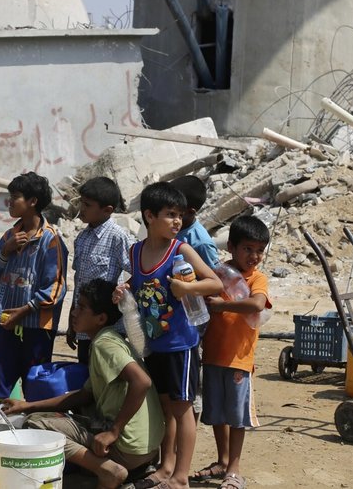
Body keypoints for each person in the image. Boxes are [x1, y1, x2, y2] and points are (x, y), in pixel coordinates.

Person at [4, 279, 164, 489]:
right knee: (78, 408)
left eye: (81, 307)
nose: (74, 312)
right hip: (147, 448)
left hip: (128, 447)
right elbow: (84, 395)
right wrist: (26, 405)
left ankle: (107, 469)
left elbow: (141, 382)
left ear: (101, 318)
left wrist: (114, 431)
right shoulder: (110, 339)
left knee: (34, 424)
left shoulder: (104, 344)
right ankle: (121, 466)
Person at [120, 182, 222, 489]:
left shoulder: (182, 249)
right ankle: (166, 467)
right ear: (150, 216)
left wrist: (188, 289)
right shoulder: (136, 251)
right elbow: (138, 284)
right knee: (167, 408)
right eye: (170, 214)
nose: (177, 221)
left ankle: (180, 477)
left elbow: (215, 283)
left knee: (183, 407)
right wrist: (123, 289)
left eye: (179, 215)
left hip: (181, 343)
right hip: (155, 344)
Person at [190, 216, 271, 489]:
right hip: (212, 355)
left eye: (259, 250)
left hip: (239, 358)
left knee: (237, 417)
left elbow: (257, 304)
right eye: (248, 248)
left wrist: (221, 307)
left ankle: (234, 469)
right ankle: (222, 461)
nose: (254, 256)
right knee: (217, 413)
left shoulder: (257, 278)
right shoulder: (218, 274)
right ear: (232, 247)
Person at [0, 172, 69, 401]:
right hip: (7, 324)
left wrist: (23, 311)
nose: (9, 201)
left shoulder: (50, 240)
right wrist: (5, 251)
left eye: (16, 196)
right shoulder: (9, 237)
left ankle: (32, 433)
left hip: (36, 328)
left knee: (35, 386)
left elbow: (56, 288)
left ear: (33, 201)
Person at [66, 176, 133, 365]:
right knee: (86, 376)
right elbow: (79, 280)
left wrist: (123, 290)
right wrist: (73, 320)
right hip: (85, 325)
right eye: (82, 203)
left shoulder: (117, 237)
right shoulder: (82, 238)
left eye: (87, 205)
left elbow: (138, 272)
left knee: (106, 376)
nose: (82, 209)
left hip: (109, 327)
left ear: (107, 210)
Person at [170, 175, 220, 268]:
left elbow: (216, 279)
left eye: (172, 208)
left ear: (190, 212)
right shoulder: (164, 225)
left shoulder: (202, 244)